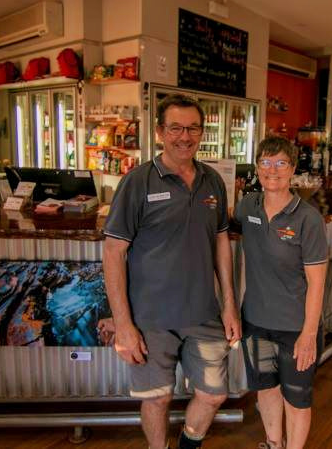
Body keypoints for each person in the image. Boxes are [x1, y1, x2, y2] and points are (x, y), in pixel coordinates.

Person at [102, 93, 241, 449]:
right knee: (157, 398)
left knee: (213, 395)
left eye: (193, 128)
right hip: (150, 318)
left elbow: (221, 242)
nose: (185, 136)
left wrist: (229, 305)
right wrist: (123, 325)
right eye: (176, 127)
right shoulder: (137, 182)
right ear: (160, 131)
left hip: (204, 313)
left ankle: (188, 444)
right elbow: (114, 252)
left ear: (202, 132)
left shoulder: (213, 182)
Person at [233, 137, 328, 449]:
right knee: (267, 389)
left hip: (295, 328)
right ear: (257, 167)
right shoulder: (247, 206)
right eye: (265, 163)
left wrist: (308, 334)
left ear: (293, 169)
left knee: (296, 398)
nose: (272, 170)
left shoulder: (308, 218)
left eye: (280, 163)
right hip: (256, 324)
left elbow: (317, 282)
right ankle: (274, 443)